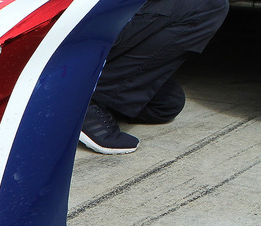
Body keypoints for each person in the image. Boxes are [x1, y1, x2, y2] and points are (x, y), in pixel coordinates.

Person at [80, 0, 230, 155]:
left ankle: (95, 89)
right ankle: (84, 99)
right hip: (85, 14)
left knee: (166, 105)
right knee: (208, 4)